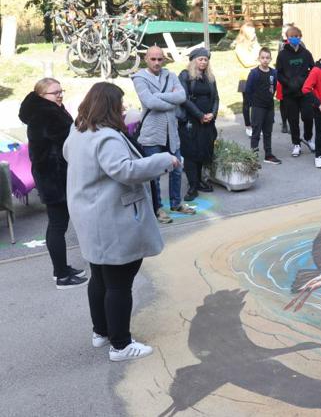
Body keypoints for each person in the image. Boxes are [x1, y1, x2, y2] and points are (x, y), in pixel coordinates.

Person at [63, 82, 181, 362]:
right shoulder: (107, 137)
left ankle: (101, 332)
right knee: (118, 283)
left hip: (90, 215)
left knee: (100, 277)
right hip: (111, 218)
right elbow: (125, 171)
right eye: (120, 103)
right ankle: (121, 345)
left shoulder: (78, 131)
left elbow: (70, 156)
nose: (124, 108)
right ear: (109, 106)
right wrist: (164, 160)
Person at [18, 78, 87, 289]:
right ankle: (62, 276)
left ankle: (61, 269)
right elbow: (69, 139)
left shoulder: (45, 110)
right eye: (55, 93)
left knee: (57, 224)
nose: (60, 95)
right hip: (54, 178)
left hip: (52, 176)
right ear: (41, 96)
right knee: (57, 225)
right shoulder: (47, 113)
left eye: (61, 91)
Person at [133, 46, 194, 224]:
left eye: (160, 59)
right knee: (155, 174)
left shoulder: (171, 75)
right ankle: (157, 208)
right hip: (152, 133)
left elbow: (182, 97)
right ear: (146, 59)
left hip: (171, 131)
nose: (157, 62)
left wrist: (159, 96)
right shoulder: (139, 78)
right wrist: (171, 101)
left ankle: (176, 203)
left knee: (177, 169)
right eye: (153, 59)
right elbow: (149, 102)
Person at [177, 48, 219, 202]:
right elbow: (184, 99)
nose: (203, 62)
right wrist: (200, 115)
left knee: (202, 151)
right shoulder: (185, 75)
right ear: (193, 60)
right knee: (190, 154)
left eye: (206, 59)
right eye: (200, 59)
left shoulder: (210, 77)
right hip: (191, 121)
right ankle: (192, 186)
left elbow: (216, 98)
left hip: (207, 121)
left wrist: (212, 114)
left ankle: (199, 181)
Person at [276, 25, 315, 157]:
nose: (294, 39)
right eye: (291, 37)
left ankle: (308, 138)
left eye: (297, 36)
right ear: (287, 38)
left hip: (305, 92)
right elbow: (278, 73)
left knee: (308, 116)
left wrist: (306, 81)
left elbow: (313, 69)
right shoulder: (282, 55)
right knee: (293, 120)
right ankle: (296, 144)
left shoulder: (306, 53)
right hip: (289, 93)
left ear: (300, 37)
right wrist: (288, 83)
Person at [244, 47, 281, 165]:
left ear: (270, 59)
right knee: (256, 132)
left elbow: (273, 87)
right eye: (263, 57)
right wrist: (253, 103)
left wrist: (269, 98)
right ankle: (253, 156)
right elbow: (248, 90)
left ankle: (268, 155)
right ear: (259, 59)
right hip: (257, 107)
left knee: (268, 132)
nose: (265, 60)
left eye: (267, 58)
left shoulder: (274, 73)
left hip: (269, 107)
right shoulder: (254, 73)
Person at [235, 23, 262, 137]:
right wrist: (258, 60)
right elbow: (247, 62)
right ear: (245, 34)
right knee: (247, 104)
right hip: (246, 78)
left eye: (254, 32)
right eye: (251, 32)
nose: (254, 34)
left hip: (259, 77)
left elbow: (263, 57)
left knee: (258, 104)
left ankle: (257, 125)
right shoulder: (239, 47)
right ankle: (248, 126)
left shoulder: (256, 44)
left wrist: (258, 57)